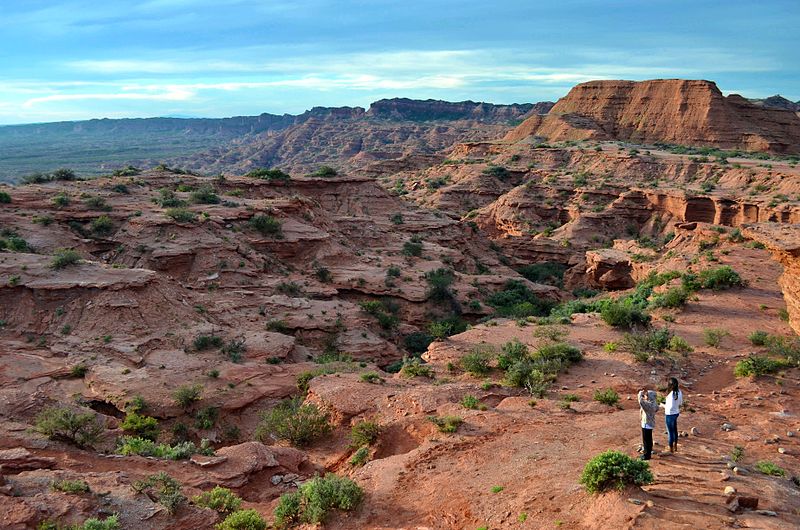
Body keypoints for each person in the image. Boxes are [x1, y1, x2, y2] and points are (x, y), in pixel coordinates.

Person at [663, 377, 683, 453]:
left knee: (670, 432)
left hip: (669, 414)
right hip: (676, 413)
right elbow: (680, 403)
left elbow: (670, 406)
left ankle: (671, 448)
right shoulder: (679, 392)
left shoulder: (671, 394)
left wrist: (663, 405)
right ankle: (675, 446)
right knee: (675, 430)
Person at [638, 389, 658, 460]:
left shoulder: (648, 405)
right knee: (649, 439)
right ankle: (648, 452)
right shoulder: (654, 403)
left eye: (646, 395)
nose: (645, 396)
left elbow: (640, 401)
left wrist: (640, 393)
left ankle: (646, 455)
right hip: (650, 423)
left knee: (646, 440)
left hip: (646, 423)